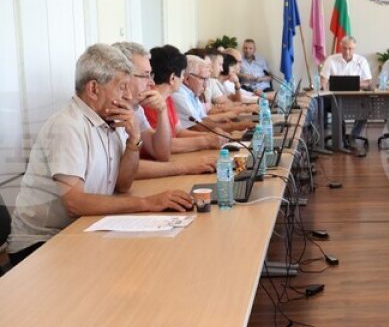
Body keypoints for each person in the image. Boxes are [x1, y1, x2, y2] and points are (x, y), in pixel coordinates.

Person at [6, 44, 193, 266]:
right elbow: (75, 203)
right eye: (121, 87)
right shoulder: (68, 125)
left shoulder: (111, 118)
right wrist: (147, 202)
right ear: (94, 89)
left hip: (81, 229)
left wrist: (133, 141)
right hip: (41, 244)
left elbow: (123, 184)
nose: (128, 95)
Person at [145, 45, 225, 154]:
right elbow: (162, 145)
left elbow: (178, 131)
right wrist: (206, 141)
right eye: (182, 74)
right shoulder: (150, 102)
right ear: (172, 78)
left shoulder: (168, 98)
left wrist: (211, 136)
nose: (182, 79)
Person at [172, 55, 253, 133]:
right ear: (187, 79)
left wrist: (228, 121)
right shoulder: (180, 94)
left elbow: (203, 119)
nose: (206, 85)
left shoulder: (192, 93)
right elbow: (197, 127)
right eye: (203, 79)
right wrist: (235, 126)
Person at [321, 36, 373, 153]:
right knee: (322, 104)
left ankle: (353, 136)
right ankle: (335, 138)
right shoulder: (331, 59)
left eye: (350, 49)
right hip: (334, 99)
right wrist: (323, 87)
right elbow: (323, 79)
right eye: (345, 48)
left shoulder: (361, 61)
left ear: (355, 48)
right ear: (340, 47)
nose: (347, 51)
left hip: (355, 99)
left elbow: (368, 83)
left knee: (367, 108)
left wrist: (354, 84)